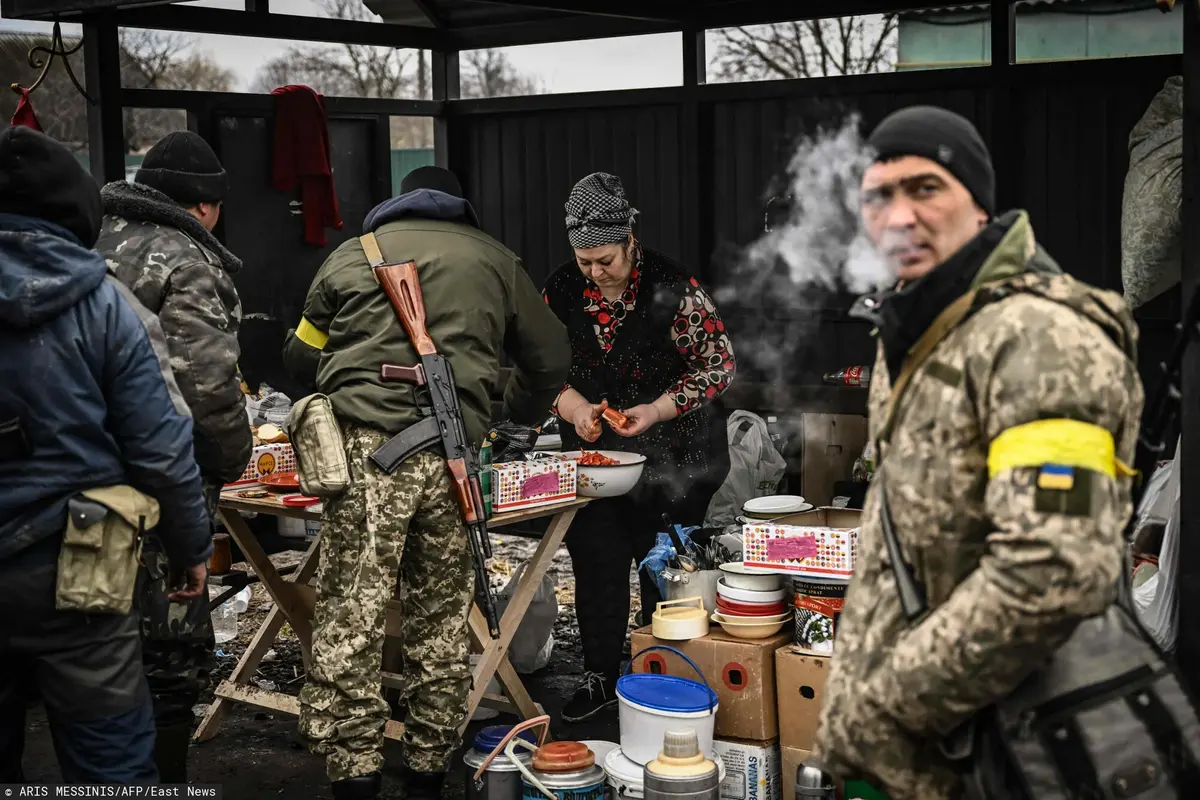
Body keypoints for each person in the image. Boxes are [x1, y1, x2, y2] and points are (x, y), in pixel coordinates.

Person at [809, 106, 1144, 799]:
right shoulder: (913, 331)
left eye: (926, 188)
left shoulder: (1041, 338)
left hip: (1001, 759)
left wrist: (890, 701)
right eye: (880, 196)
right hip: (916, 763)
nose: (900, 215)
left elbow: (1052, 570)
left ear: (979, 204)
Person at [282, 166, 571, 800]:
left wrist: (344, 373)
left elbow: (300, 354)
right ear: (458, 213)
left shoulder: (349, 257)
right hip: (456, 459)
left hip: (364, 455)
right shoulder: (498, 261)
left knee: (351, 616)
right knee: (440, 622)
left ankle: (353, 772)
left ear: (394, 206)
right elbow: (551, 356)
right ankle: (426, 769)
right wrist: (511, 415)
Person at [0, 126, 212, 783]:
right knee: (110, 768)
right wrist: (190, 549)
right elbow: (163, 443)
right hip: (78, 567)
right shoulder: (104, 303)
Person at [542, 172, 735, 722]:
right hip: (597, 464)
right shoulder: (558, 291)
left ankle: (666, 679)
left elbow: (718, 365)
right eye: (585, 262)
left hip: (680, 456)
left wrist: (656, 409)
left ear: (630, 239)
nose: (596, 273)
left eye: (606, 259)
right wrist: (576, 407)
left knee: (665, 568)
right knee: (596, 560)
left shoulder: (675, 289)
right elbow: (539, 369)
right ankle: (601, 676)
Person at [95, 130, 252, 783]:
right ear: (206, 206)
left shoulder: (87, 244)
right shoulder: (183, 260)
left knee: (89, 649)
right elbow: (207, 386)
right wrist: (234, 458)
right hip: (159, 490)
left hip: (66, 487)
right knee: (168, 656)